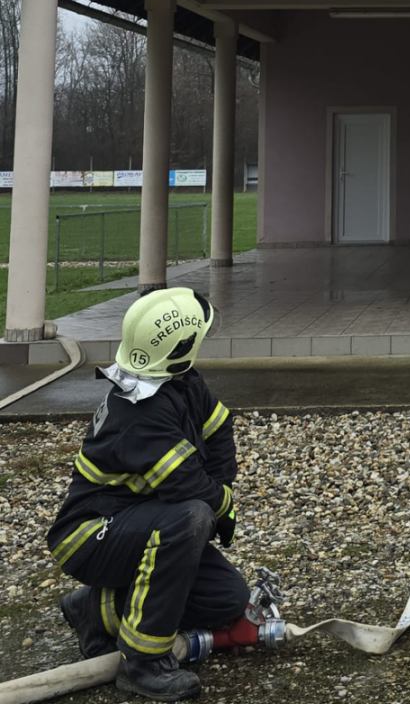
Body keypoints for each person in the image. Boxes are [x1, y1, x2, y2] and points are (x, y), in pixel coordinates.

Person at [48, 287, 247, 701]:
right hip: (89, 536)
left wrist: (222, 488)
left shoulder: (179, 380)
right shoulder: (140, 413)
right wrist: (223, 505)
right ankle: (143, 664)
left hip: (141, 522)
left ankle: (95, 610)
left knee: (227, 598)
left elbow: (218, 428)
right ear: (180, 347)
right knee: (190, 516)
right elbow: (189, 488)